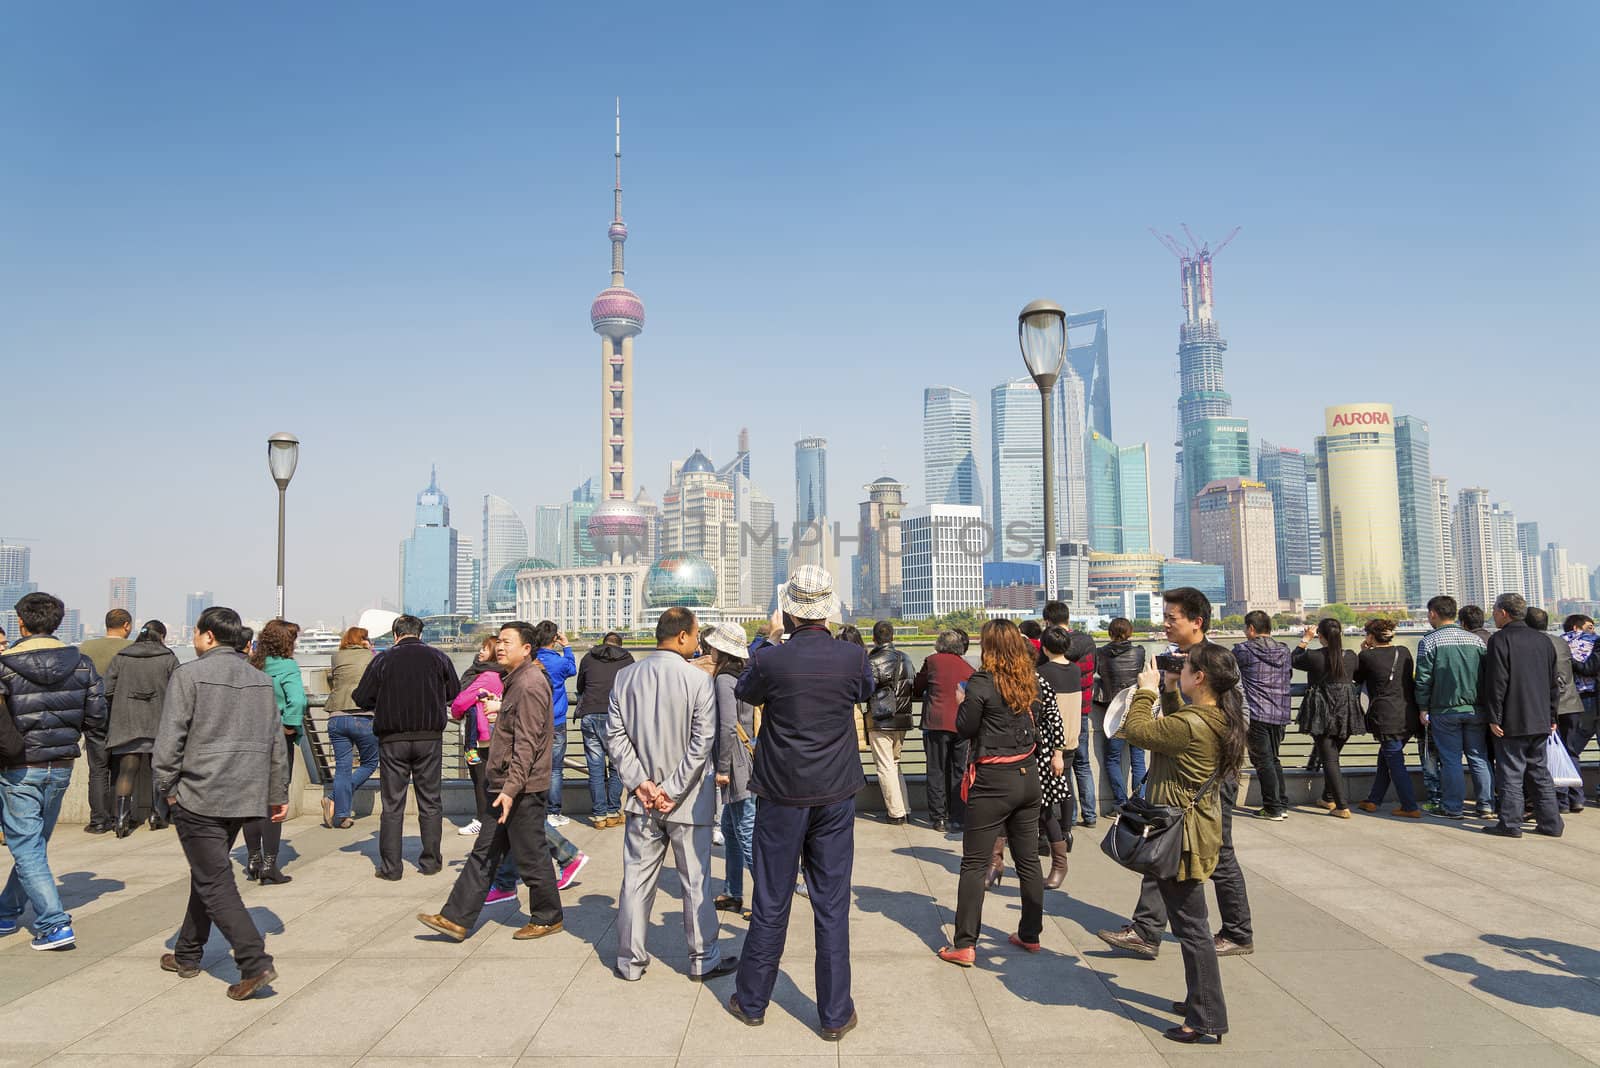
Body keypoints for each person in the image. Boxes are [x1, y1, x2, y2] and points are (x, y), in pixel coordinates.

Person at [728, 566, 873, 1041]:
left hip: (781, 792)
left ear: (789, 611)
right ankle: (834, 1014)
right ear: (828, 611)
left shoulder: (771, 660)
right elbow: (865, 693)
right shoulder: (852, 657)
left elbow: (743, 690)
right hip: (835, 790)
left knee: (771, 898)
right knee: (831, 904)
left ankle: (752, 1001)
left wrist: (769, 638)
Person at [1097, 587, 1254, 961]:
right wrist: (1166, 692)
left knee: (1219, 851)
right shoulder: (1172, 660)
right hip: (1174, 773)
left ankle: (1237, 931)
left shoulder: (1216, 661)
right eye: (1165, 617)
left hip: (1207, 777)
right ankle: (1148, 930)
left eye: (1172, 618)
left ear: (1197, 622)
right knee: (1162, 845)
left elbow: (1238, 719)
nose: (1165, 624)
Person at [153, 606, 286, 998]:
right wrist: (276, 794)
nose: (194, 639)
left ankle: (253, 961)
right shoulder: (261, 681)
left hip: (199, 795)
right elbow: (276, 743)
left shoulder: (189, 675)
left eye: (195, 633)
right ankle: (188, 953)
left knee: (215, 880)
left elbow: (169, 740)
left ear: (208, 636)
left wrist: (167, 788)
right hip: (245, 796)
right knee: (207, 873)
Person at [1122, 642, 1246, 1044]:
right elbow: (1177, 729)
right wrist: (1172, 690)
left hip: (1182, 837)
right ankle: (1200, 1001)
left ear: (1201, 677)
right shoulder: (1214, 717)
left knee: (1192, 929)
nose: (1182, 667)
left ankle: (1206, 1016)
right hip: (1196, 829)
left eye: (1187, 666)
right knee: (1191, 924)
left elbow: (1139, 731)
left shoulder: (1193, 724)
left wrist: (1145, 690)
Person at [416, 622, 566, 943]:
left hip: (520, 788)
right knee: (484, 853)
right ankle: (455, 918)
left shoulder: (529, 683)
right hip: (504, 783)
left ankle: (548, 916)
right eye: (499, 641)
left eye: (508, 642)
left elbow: (527, 742)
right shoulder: (514, 681)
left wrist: (511, 790)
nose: (500, 647)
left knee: (532, 854)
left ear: (527, 648)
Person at [606, 607, 734, 982]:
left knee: (635, 880)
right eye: (696, 636)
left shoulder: (625, 677)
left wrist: (641, 782)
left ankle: (629, 962)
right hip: (688, 799)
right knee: (695, 882)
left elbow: (615, 737)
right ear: (682, 637)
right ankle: (702, 959)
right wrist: (672, 789)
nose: (699, 643)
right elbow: (702, 742)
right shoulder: (698, 681)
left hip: (640, 801)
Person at [937, 619, 1063, 967]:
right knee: (1028, 860)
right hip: (1027, 777)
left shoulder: (981, 682)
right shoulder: (1030, 682)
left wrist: (963, 700)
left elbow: (965, 728)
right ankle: (1030, 933)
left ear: (989, 647)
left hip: (993, 780)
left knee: (975, 863)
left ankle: (964, 943)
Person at [0, 592, 107, 950]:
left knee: (26, 845)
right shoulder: (82, 663)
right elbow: (97, 717)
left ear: (21, 622)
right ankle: (6, 910)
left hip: (18, 768)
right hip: (61, 765)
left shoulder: (4, 664)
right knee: (32, 843)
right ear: (57, 622)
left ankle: (54, 923)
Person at [353, 614, 460, 881]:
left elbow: (362, 697)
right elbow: (454, 692)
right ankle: (431, 862)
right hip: (429, 738)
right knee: (431, 801)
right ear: (420, 634)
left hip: (392, 739)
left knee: (392, 804)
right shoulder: (439, 658)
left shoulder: (383, 660)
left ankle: (391, 868)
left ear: (395, 635)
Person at [1482, 593, 1563, 838]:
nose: (1493, 615)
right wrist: (1552, 716)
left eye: (1495, 610)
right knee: (1539, 773)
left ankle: (1510, 824)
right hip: (1540, 719)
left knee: (1510, 773)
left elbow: (1497, 682)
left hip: (1512, 720)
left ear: (1504, 612)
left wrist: (1494, 717)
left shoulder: (1500, 640)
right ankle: (1552, 824)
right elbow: (1553, 684)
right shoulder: (1544, 641)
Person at [1415, 595, 1494, 820]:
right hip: (1476, 709)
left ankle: (1453, 807)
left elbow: (1423, 679)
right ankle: (1486, 806)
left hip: (1444, 710)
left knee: (1450, 760)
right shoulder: (1476, 641)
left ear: (1433, 614)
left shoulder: (1429, 642)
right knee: (1479, 757)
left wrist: (1422, 707)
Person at [240, 620, 304, 884]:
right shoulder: (287, 667)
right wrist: (290, 725)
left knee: (250, 801)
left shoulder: (250, 665)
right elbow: (298, 699)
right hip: (275, 739)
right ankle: (269, 864)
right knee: (274, 801)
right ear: (286, 642)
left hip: (247, 740)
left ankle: (253, 858)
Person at [103, 620, 179, 836]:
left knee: (126, 771)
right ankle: (157, 815)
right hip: (160, 723)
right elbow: (180, 690)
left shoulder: (122, 657)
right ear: (161, 636)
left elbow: (107, 689)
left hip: (127, 722)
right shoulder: (168, 658)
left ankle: (120, 820)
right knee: (159, 771)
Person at [703, 622, 757, 919]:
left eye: (712, 645)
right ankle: (733, 891)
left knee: (746, 830)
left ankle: (763, 899)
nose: (708, 649)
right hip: (747, 755)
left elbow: (726, 725)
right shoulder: (745, 673)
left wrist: (722, 768)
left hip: (735, 762)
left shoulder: (724, 679)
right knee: (731, 829)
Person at [1294, 618, 1364, 818]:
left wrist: (1305, 639)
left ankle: (1342, 806)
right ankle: (1328, 797)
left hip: (1322, 712)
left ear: (1320, 636)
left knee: (1330, 760)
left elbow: (1293, 659)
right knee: (1332, 757)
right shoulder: (1350, 656)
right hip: (1347, 712)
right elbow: (1359, 674)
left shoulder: (1314, 657)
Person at [1355, 618, 1421, 818]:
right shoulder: (1404, 652)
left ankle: (1410, 806)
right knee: (1386, 758)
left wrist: (1364, 650)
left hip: (1386, 717)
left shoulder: (1367, 656)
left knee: (1395, 762)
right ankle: (1373, 801)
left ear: (1370, 636)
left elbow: (1358, 678)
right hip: (1408, 715)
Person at [77, 608, 133, 834]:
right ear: (127, 626)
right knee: (120, 769)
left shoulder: (86, 648)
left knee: (97, 769)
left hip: (93, 714)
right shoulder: (132, 649)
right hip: (124, 716)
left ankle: (99, 821)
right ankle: (120, 818)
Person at [1033, 625, 1080, 890]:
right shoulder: (1074, 670)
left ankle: (1051, 839)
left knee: (1048, 796)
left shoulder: (1042, 674)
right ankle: (1065, 832)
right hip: (1073, 736)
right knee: (1065, 788)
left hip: (1053, 745)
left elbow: (1048, 713)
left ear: (1045, 647)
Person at [914, 628, 974, 833]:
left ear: (939, 644)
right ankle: (958, 818)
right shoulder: (968, 668)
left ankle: (938, 817)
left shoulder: (932, 661)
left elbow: (917, 685)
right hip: (962, 725)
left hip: (936, 723)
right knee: (959, 771)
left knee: (936, 770)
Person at [1233, 611, 1292, 820]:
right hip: (1281, 712)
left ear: (1250, 629)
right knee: (1273, 759)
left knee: (1263, 761)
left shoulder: (1242, 650)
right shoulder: (1284, 650)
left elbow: (1229, 675)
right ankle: (1281, 804)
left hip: (1257, 712)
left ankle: (1273, 807)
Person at [576, 632, 633, 828]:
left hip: (590, 714)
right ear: (620, 645)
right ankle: (613, 810)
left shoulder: (588, 657)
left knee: (595, 768)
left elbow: (580, 685)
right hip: (616, 717)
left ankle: (599, 816)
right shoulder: (627, 659)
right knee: (617, 765)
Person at [451, 636, 505, 838]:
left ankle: (482, 820)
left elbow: (460, 701)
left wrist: (457, 711)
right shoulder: (500, 674)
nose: (480, 652)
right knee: (487, 777)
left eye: (485, 649)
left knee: (479, 777)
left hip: (479, 737)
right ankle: (490, 818)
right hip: (490, 735)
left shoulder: (487, 676)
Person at [323, 627, 377, 830]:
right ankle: (333, 798)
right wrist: (369, 649)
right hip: (363, 716)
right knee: (370, 763)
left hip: (336, 716)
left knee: (342, 768)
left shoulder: (336, 656)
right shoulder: (371, 657)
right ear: (364, 640)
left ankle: (342, 815)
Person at [1092, 618, 1146, 810]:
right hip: (1136, 708)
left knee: (1112, 758)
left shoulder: (1101, 654)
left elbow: (1098, 674)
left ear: (1110, 633)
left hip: (1113, 711)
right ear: (1130, 632)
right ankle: (1140, 801)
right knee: (1137, 758)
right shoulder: (1139, 652)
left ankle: (1121, 802)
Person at [865, 621, 914, 825]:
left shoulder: (873, 660)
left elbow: (866, 688)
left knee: (885, 766)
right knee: (895, 764)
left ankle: (896, 813)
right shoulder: (906, 658)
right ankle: (905, 808)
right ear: (892, 637)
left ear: (874, 638)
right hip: (903, 718)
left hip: (881, 719)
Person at [533, 622, 577, 827]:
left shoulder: (530, 661)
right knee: (555, 769)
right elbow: (572, 669)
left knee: (533, 766)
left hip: (533, 720)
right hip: (557, 719)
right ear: (554, 639)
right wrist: (566, 646)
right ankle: (554, 811)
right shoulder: (559, 662)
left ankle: (536, 810)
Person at [1563, 614, 1598, 811]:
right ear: (1577, 627)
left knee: (1571, 750)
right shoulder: (1594, 641)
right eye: (1589, 626)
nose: (1592, 630)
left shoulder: (1559, 643)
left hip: (1572, 703)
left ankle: (1574, 796)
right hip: (1593, 699)